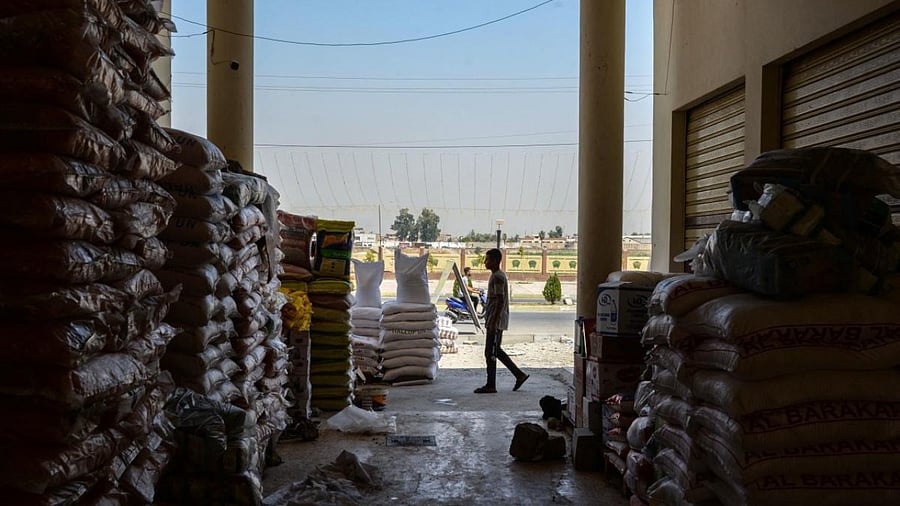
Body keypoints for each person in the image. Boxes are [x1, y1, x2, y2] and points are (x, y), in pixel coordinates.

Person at [474, 248, 529, 394]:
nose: (485, 262)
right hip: (494, 318)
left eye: (488, 259)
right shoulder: (495, 276)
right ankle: (519, 375)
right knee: (495, 350)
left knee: (490, 352)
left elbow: (500, 300)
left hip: (496, 320)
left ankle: (491, 385)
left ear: (496, 261)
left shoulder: (498, 277)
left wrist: (494, 321)